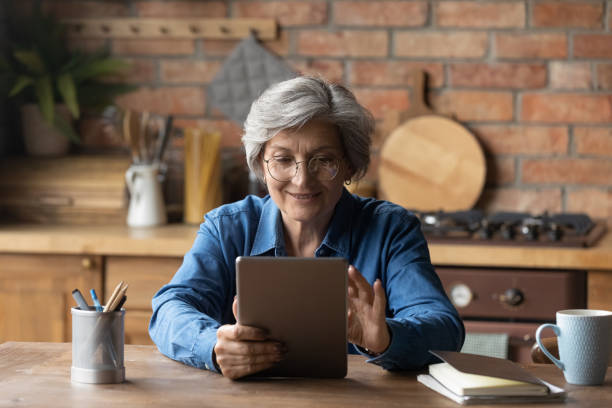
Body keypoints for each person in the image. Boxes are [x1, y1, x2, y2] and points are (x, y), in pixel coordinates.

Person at [149, 76, 464, 380]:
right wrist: (213, 346)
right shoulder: (227, 227)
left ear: (350, 165)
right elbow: (169, 310)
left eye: (322, 160)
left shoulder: (391, 229)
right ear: (260, 164)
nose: (302, 180)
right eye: (283, 160)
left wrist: (386, 337)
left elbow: (445, 328)